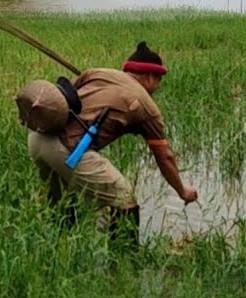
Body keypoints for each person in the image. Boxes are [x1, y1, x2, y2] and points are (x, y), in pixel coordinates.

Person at [27, 41, 198, 240]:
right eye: (159, 80)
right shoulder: (146, 105)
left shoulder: (98, 73)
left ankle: (58, 249)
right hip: (68, 151)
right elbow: (164, 156)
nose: (158, 87)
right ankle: (123, 262)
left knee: (62, 200)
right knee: (123, 197)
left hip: (37, 137)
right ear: (151, 76)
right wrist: (182, 190)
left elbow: (66, 97)